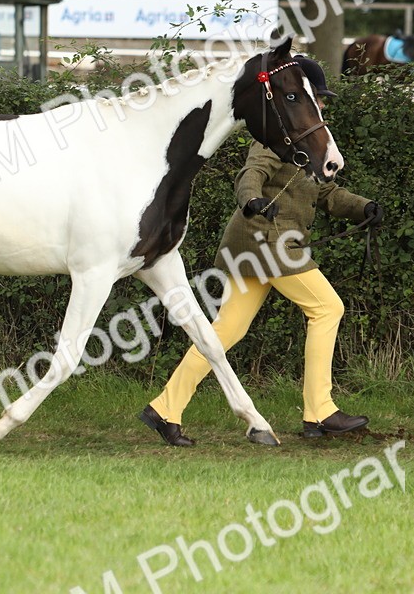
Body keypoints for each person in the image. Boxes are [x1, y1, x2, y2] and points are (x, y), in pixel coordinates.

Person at [139, 79, 383, 446]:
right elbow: (250, 173)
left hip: (259, 246)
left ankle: (164, 409)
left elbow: (327, 192)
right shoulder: (276, 138)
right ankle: (319, 411)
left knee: (224, 332)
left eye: (322, 101)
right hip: (267, 241)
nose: (321, 107)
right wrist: (251, 198)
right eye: (316, 100)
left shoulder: (312, 144)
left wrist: (362, 206)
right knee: (327, 308)